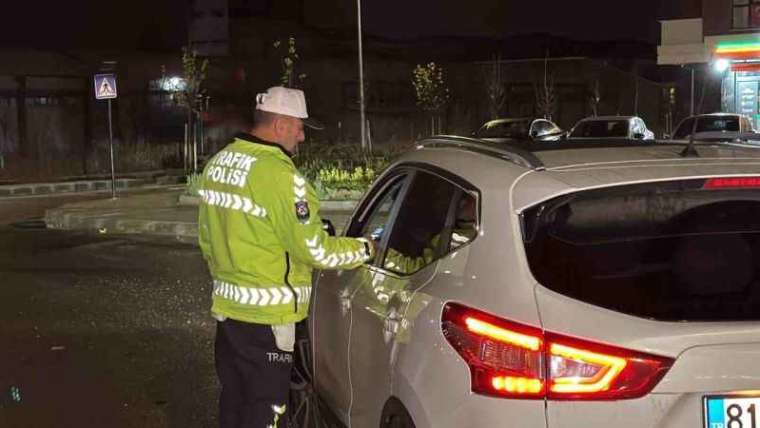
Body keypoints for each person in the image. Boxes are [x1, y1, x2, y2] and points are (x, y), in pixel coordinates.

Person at [197, 86, 374, 428]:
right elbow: (316, 250)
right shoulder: (281, 178)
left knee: (234, 402)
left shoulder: (219, 165)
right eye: (298, 127)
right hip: (268, 320)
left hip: (229, 315)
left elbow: (207, 239)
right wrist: (366, 248)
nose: (302, 136)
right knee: (267, 411)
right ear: (279, 125)